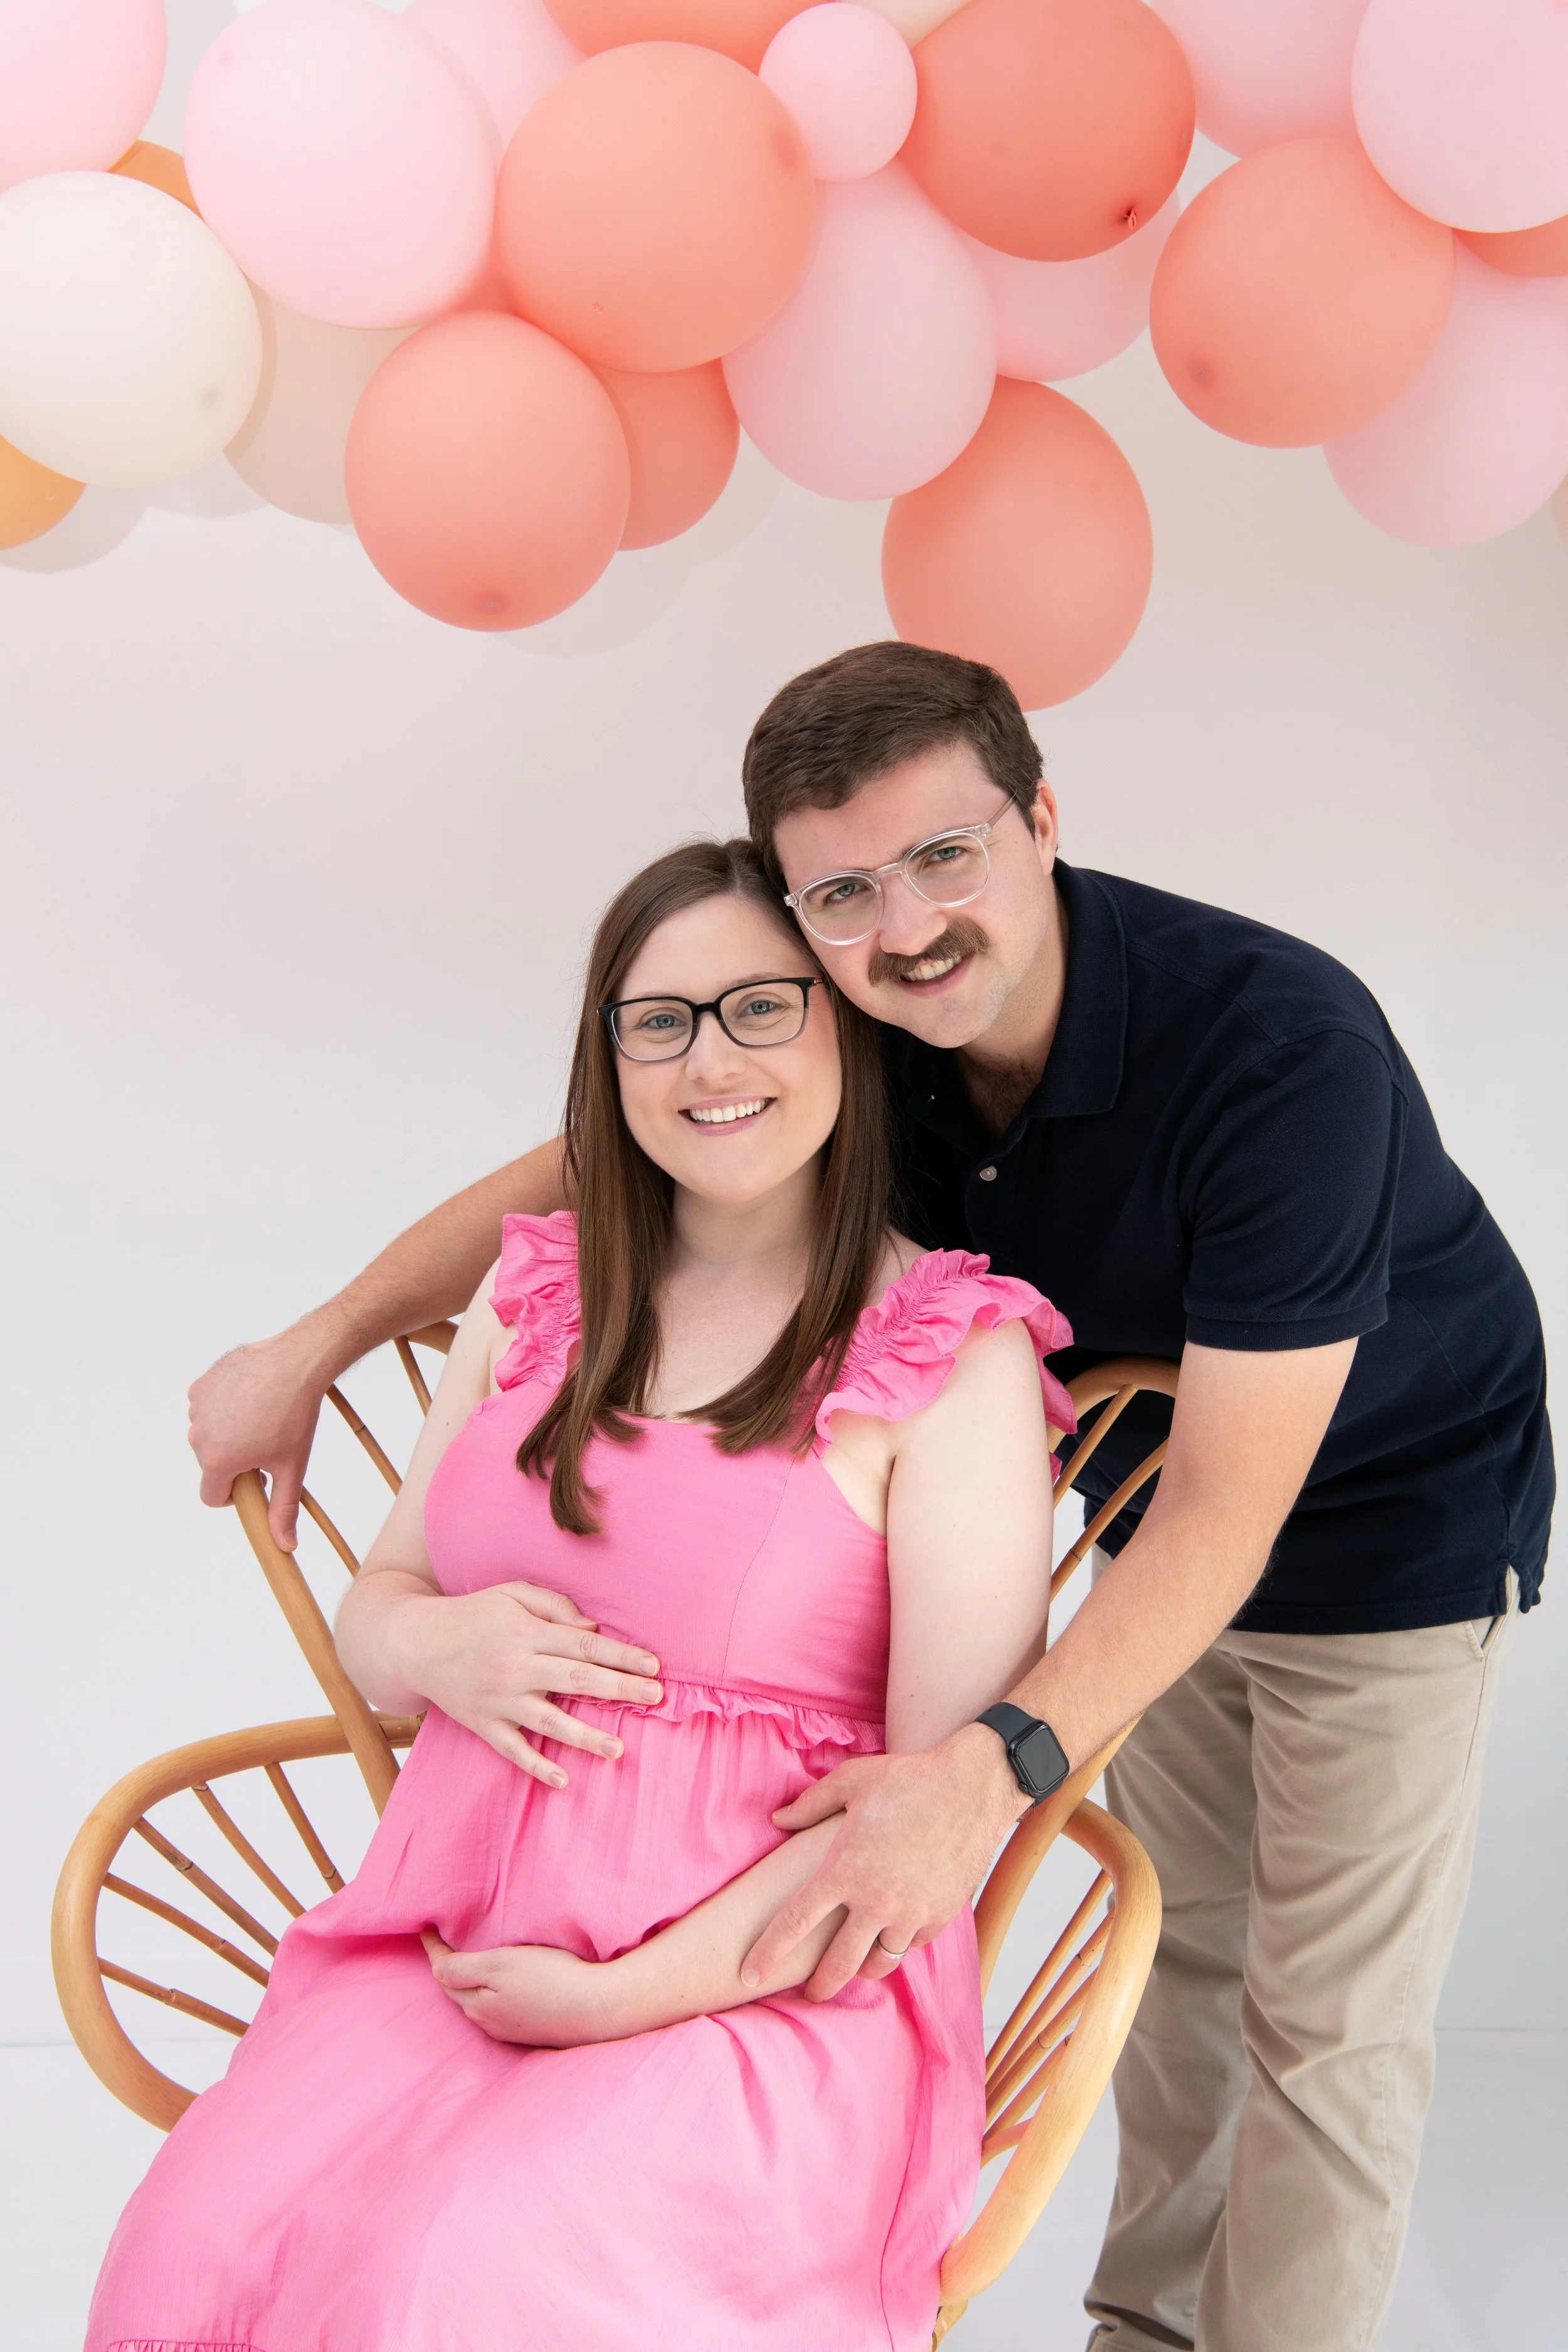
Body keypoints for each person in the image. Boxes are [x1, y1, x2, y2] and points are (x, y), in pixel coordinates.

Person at [188, 642, 1553, 2352]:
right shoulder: (870, 1024)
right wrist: (313, 1340)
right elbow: (585, 1160)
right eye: (841, 890)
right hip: (1144, 1505)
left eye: (944, 856)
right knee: (1195, 1959)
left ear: (1041, 818)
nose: (906, 923)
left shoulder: (1278, 1052)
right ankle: (1144, 2323)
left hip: (1379, 1520)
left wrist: (983, 1772)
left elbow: (1229, 1509)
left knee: (1327, 2016)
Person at [90, 835, 1074, 2350]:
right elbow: (379, 1609)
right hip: (452, 1945)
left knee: (471, 2273)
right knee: (191, 2251)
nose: (708, 1060)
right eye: (657, 1019)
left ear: (845, 1027)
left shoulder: (949, 1355)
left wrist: (633, 1995)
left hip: (758, 1989)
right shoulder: (534, 1290)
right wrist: (434, 1639)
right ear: (607, 1055)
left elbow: (928, 1824)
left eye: (761, 1006)